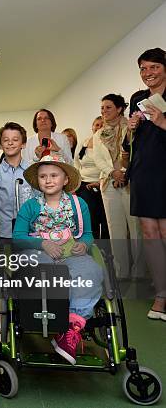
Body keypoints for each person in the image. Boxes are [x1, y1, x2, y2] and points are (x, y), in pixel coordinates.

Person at [13, 154, 104, 364]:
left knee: (91, 272)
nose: (48, 180)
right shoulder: (30, 206)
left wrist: (85, 244)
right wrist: (42, 243)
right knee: (39, 270)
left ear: (65, 179)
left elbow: (88, 233)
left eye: (54, 175)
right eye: (43, 176)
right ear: (38, 181)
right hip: (39, 253)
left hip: (72, 254)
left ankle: (71, 328)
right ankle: (50, 315)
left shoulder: (78, 204)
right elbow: (18, 238)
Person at [127, 47, 166, 321]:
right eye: (143, 68)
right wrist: (132, 126)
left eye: (153, 67)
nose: (148, 73)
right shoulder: (138, 98)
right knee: (149, 233)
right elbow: (132, 141)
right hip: (143, 169)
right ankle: (161, 294)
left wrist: (162, 120)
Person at [93, 93, 143, 279]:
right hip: (109, 184)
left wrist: (124, 172)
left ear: (120, 108)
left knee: (136, 228)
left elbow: (135, 152)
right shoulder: (99, 134)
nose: (104, 111)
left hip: (131, 182)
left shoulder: (132, 128)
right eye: (102, 108)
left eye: (108, 107)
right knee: (116, 230)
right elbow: (98, 158)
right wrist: (113, 172)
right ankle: (121, 271)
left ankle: (140, 272)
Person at [0, 122, 34, 252]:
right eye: (6, 140)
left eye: (15, 140)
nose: (10, 143)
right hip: (6, 233)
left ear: (23, 144)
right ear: (0, 145)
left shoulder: (32, 171)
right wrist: (5, 219)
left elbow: (38, 199)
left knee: (29, 267)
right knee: (6, 268)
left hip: (29, 231)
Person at [74, 116, 109, 240]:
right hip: (84, 185)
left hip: (103, 184)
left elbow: (108, 165)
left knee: (105, 220)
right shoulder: (84, 142)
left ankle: (107, 251)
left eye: (102, 125)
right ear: (92, 127)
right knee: (89, 218)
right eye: (96, 125)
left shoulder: (108, 144)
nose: (98, 127)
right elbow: (76, 162)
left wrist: (99, 182)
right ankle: (92, 248)